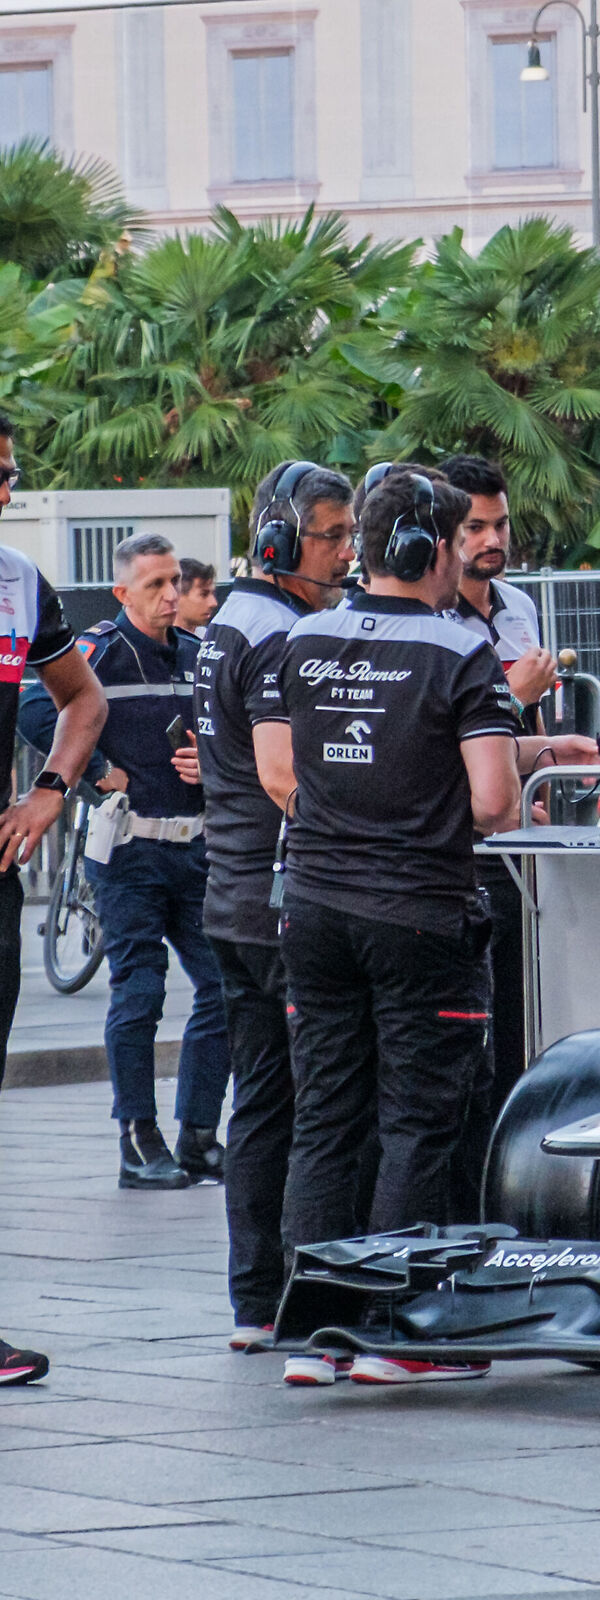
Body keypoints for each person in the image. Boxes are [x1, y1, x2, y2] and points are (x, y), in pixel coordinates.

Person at [254, 469, 595, 1387]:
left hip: (314, 908)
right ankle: (402, 1334)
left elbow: (285, 771)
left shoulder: (303, 638)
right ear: (428, 549)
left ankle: (315, 1331)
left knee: (325, 1116)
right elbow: (489, 801)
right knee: (417, 1120)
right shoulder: (457, 650)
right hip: (420, 913)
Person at [194, 459, 354, 1352]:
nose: (345, 554)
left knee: (261, 1101)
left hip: (232, 895)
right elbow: (282, 774)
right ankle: (299, 1293)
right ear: (279, 540)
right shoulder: (281, 634)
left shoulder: (228, 621)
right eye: (331, 536)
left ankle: (255, 1302)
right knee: (315, 1105)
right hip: (280, 900)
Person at [21, 534, 229, 1188]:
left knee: (223, 987)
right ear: (123, 593)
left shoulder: (200, 654)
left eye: (174, 582)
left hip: (193, 846)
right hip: (127, 850)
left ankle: (198, 1134)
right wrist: (93, 771)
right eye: (155, 586)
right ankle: (138, 1142)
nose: (171, 596)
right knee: (139, 989)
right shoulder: (100, 651)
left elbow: (236, 729)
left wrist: (215, 764)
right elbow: (35, 706)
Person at [0, 410, 107, 1387]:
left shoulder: (19, 584)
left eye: (7, 473)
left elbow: (83, 698)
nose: (2, 490)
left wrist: (50, 789)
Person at [436, 454, 550, 1183]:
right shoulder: (426, 616)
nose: (491, 538)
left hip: (517, 849)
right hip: (451, 856)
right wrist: (513, 691)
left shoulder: (519, 608)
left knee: (517, 1029)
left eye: (500, 523)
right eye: (475, 526)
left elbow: (514, 736)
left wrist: (546, 762)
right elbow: (438, 731)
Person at [175, 559, 218, 633]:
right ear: (177, 596)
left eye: (213, 594)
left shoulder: (207, 637)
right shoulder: (157, 641)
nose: (213, 603)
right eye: (204, 594)